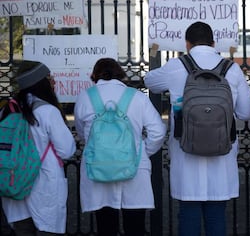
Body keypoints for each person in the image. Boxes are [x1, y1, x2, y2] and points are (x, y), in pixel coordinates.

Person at [144, 21, 250, 236]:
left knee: (188, 213)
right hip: (222, 155)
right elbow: (245, 113)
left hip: (186, 154)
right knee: (216, 215)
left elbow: (149, 81)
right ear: (214, 43)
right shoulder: (231, 69)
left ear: (187, 44)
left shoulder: (177, 66)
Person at [74, 58, 166, 236]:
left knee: (105, 225)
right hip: (134, 169)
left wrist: (99, 150)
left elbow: (82, 131)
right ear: (120, 74)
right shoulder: (138, 97)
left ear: (95, 75)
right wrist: (141, 151)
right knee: (135, 225)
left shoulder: (85, 96)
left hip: (98, 167)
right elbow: (158, 131)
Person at [1, 60, 76, 235]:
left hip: (13, 181)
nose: (53, 82)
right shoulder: (47, 111)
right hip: (44, 184)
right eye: (49, 78)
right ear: (39, 83)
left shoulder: (7, 109)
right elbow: (66, 150)